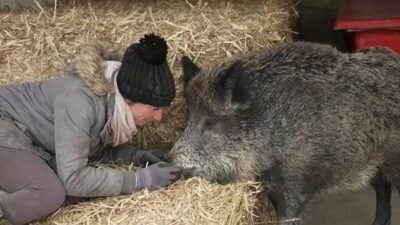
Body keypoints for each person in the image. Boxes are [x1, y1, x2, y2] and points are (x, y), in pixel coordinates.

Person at [0, 33, 183, 225]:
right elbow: (74, 179)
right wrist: (139, 180)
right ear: (129, 98)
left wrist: (137, 157)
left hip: (27, 139)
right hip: (5, 125)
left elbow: (90, 151)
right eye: (154, 108)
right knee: (49, 192)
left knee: (73, 193)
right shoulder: (80, 102)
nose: (158, 117)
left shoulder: (112, 105)